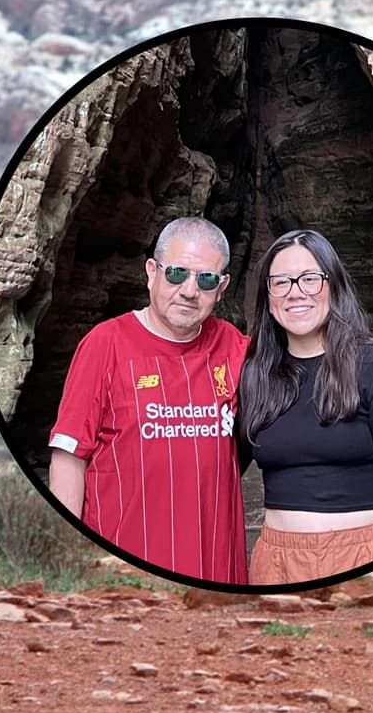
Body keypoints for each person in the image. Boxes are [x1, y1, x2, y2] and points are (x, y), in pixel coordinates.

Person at [48, 217, 250, 583]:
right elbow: (68, 456)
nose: (189, 290)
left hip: (216, 564)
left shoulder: (233, 345)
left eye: (205, 279)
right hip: (126, 562)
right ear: (151, 272)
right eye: (177, 274)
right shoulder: (105, 343)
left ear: (222, 288)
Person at [239, 229, 373, 585]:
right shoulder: (256, 375)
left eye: (310, 279)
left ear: (334, 284)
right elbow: (216, 468)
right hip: (276, 564)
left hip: (367, 558)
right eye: (280, 282)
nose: (295, 293)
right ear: (268, 296)